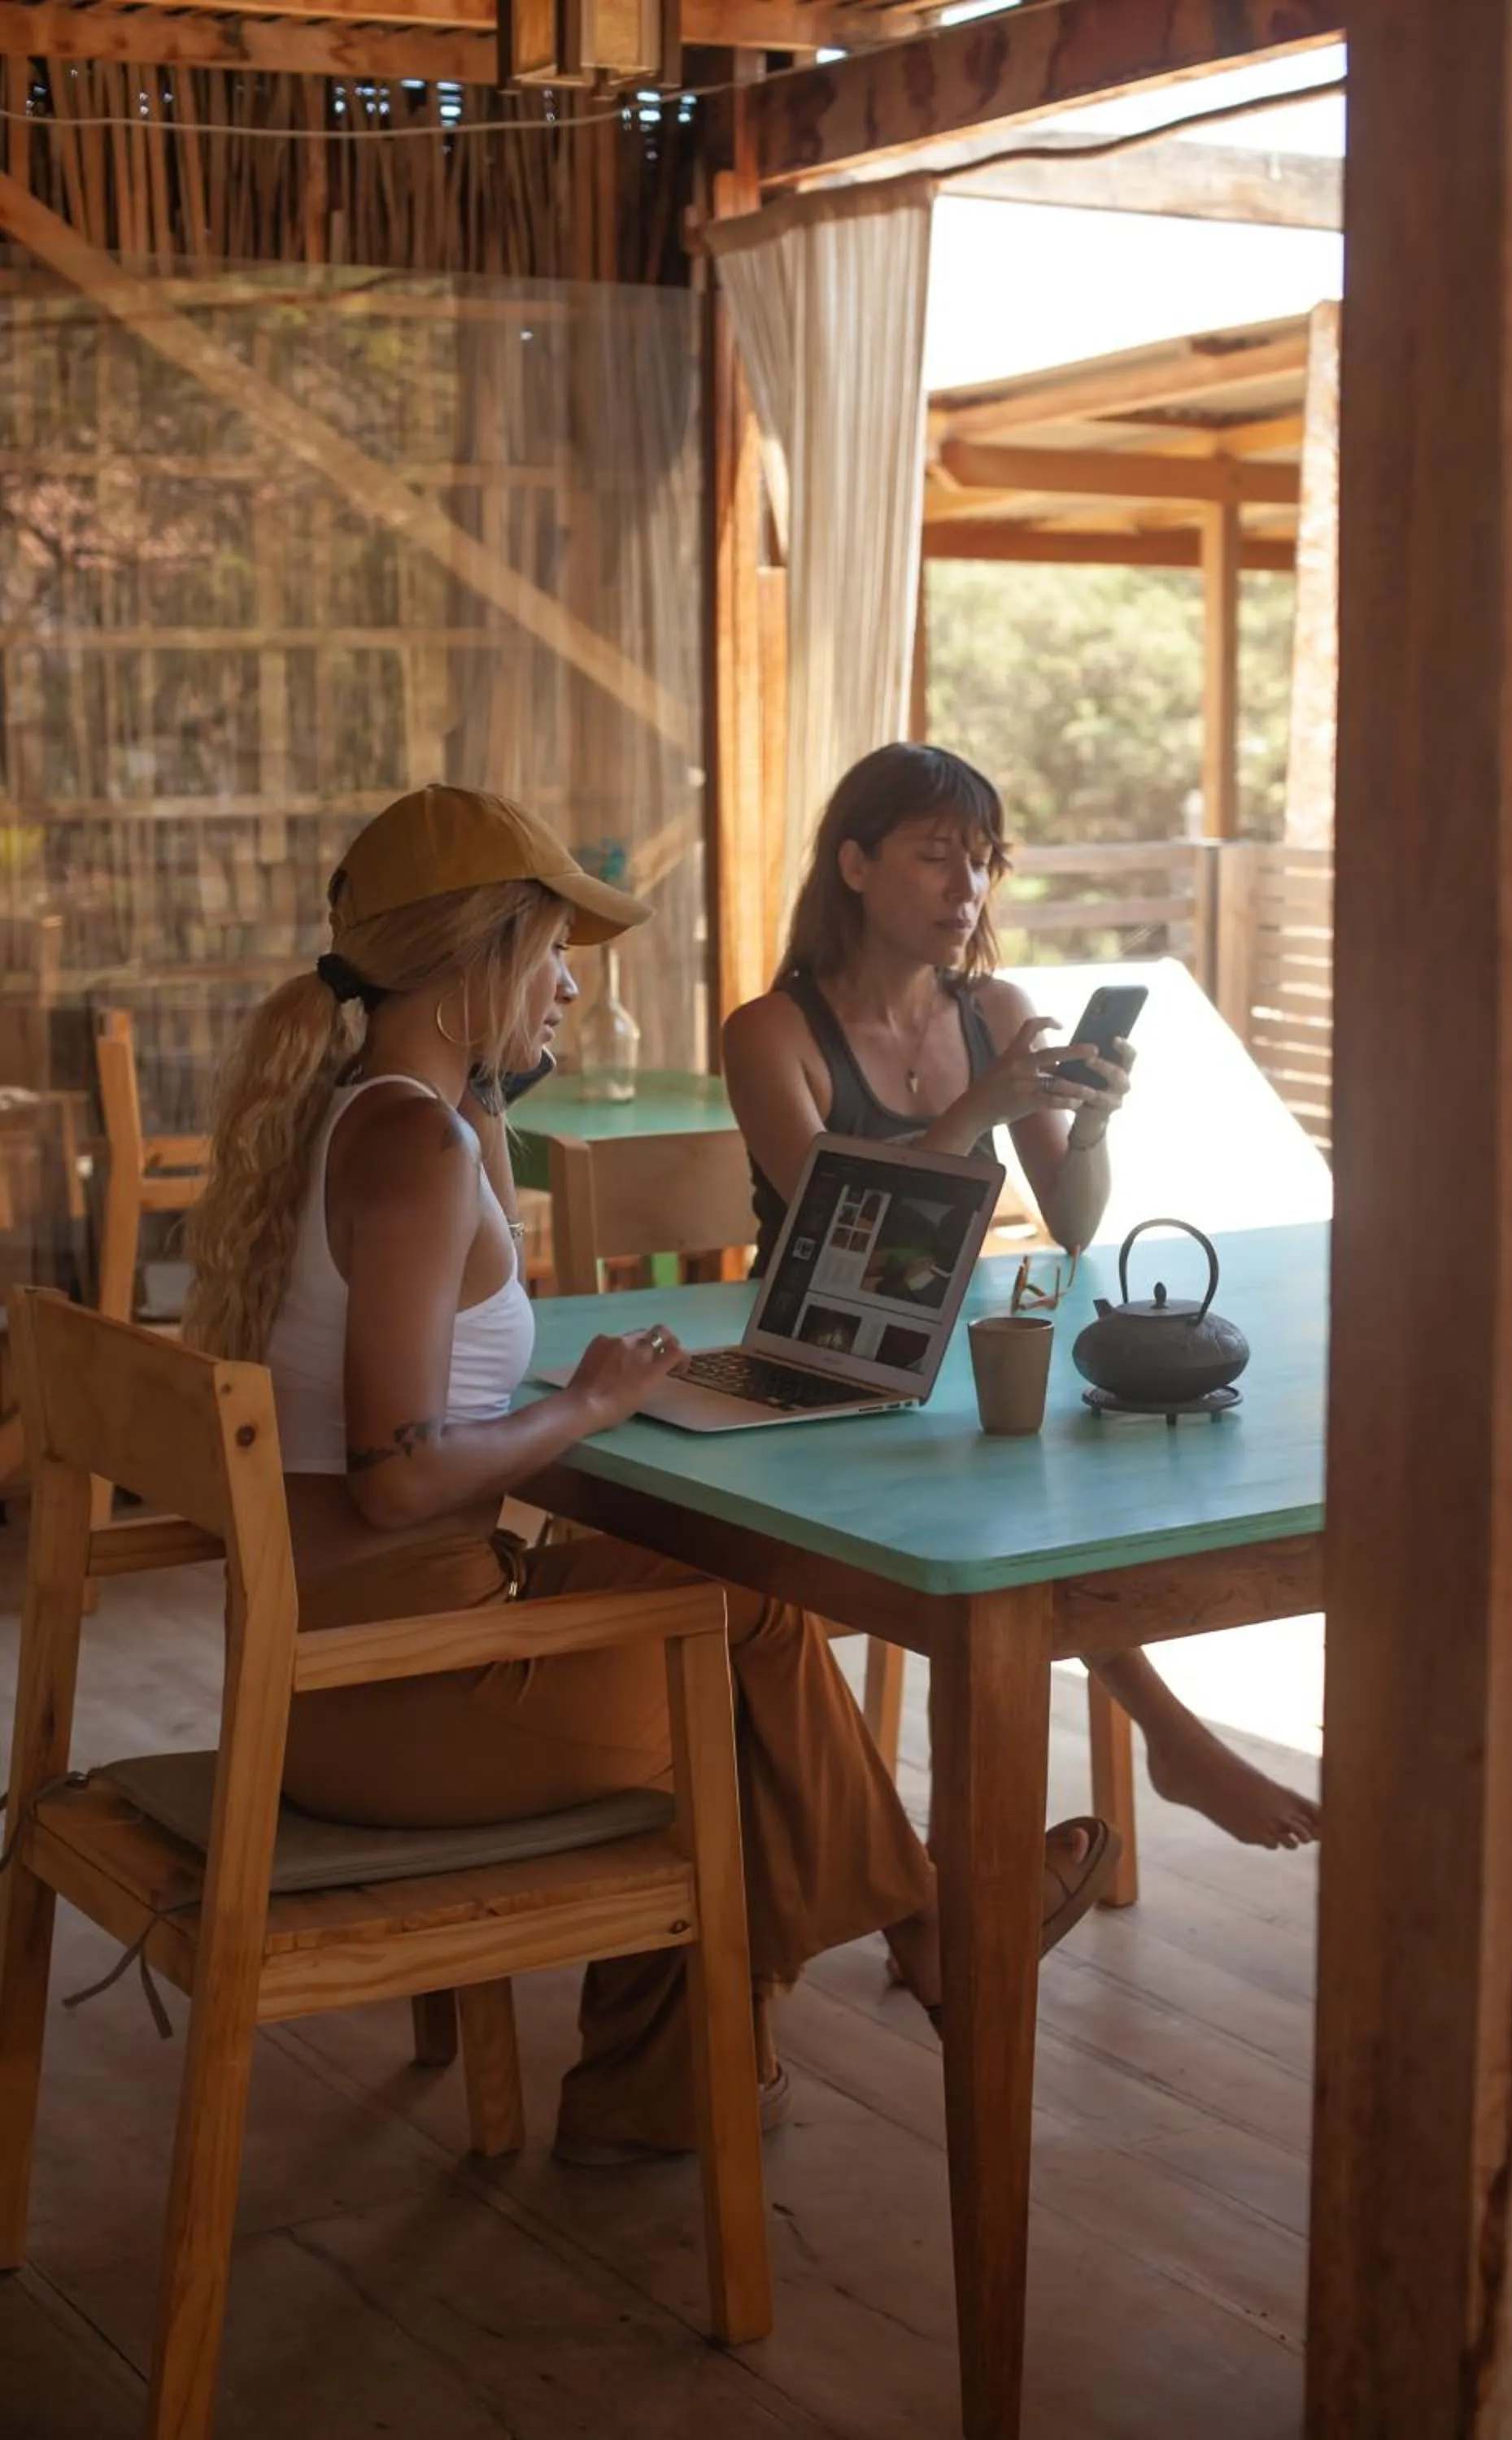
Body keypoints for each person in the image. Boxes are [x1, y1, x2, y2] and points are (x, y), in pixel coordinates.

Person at [183, 782, 1122, 2165]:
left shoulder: (384, 1116)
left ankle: (681, 2077)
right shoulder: (408, 1146)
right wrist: (591, 1400)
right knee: (737, 1677)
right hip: (392, 1706)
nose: (571, 988)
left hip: (345, 1668)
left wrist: (506, 1154)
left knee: (721, 1600)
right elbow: (395, 1478)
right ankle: (928, 1937)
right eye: (554, 952)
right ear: (474, 964)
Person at [722, 744, 1320, 1854]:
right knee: (1005, 1506)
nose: (969, 891)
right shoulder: (769, 1031)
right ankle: (1170, 1735)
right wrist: (972, 1113)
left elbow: (1079, 1219)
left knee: (1042, 1483)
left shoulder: (993, 1008)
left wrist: (1089, 1119)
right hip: (814, 1363)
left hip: (954, 1349)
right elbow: (823, 1232)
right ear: (853, 864)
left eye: (985, 863)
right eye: (938, 857)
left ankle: (1067, 1806)